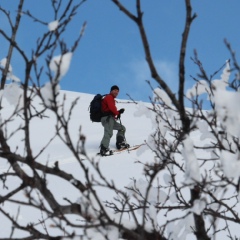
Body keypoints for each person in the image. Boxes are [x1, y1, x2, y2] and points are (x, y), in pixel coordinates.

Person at [100, 85, 129, 156]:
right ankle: (104, 148)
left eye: (118, 91)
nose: (116, 92)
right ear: (111, 91)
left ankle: (120, 143)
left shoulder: (111, 99)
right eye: (115, 90)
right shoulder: (109, 97)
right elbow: (112, 108)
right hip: (107, 119)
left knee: (122, 128)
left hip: (110, 119)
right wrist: (118, 112)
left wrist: (117, 113)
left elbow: (111, 110)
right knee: (109, 132)